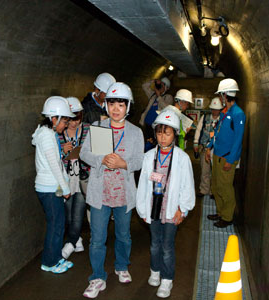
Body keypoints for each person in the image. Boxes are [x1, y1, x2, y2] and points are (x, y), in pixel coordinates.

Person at [80, 82, 144, 298]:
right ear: (106, 106)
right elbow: (84, 153)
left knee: (124, 235)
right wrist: (101, 159)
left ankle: (121, 266)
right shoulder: (98, 128)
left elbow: (139, 160)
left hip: (123, 194)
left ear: (128, 107)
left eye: (121, 104)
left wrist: (123, 164)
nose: (116, 108)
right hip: (101, 193)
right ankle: (97, 277)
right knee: (97, 238)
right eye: (112, 103)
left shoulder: (135, 132)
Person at [136, 110, 195, 298]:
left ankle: (167, 279)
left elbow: (187, 186)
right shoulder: (148, 157)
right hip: (153, 208)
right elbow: (143, 184)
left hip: (171, 210)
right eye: (160, 133)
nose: (162, 138)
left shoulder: (182, 158)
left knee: (167, 246)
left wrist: (183, 209)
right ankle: (155, 271)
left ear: (174, 135)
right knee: (154, 244)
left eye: (167, 133)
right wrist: (142, 208)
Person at [31, 96, 75, 273]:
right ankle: (49, 262)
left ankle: (55, 258)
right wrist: (65, 188)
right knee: (56, 225)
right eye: (64, 120)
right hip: (49, 188)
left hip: (51, 187)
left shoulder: (46, 133)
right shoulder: (47, 136)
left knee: (58, 224)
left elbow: (57, 162)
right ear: (53, 118)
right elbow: (55, 165)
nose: (65, 124)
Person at [205, 79, 246, 228]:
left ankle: (228, 217)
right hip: (217, 155)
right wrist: (209, 147)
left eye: (221, 95)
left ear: (225, 95)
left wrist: (231, 159)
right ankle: (221, 212)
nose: (221, 98)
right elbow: (216, 132)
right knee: (216, 186)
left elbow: (238, 140)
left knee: (225, 188)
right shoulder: (225, 112)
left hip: (227, 157)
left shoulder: (238, 114)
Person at [59, 97, 90, 259]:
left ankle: (70, 243)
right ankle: (77, 238)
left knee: (78, 214)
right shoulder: (58, 132)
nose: (74, 123)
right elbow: (53, 159)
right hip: (65, 179)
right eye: (70, 119)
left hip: (82, 179)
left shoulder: (88, 130)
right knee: (68, 215)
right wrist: (63, 150)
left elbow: (97, 150)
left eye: (77, 118)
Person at [193, 97, 223, 197]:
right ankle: (204, 190)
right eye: (213, 109)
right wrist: (196, 143)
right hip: (204, 148)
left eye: (217, 109)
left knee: (215, 172)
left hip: (216, 150)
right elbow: (198, 130)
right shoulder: (205, 118)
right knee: (204, 170)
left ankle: (213, 191)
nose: (215, 111)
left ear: (220, 110)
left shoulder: (223, 120)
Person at [139, 77, 173, 150]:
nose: (160, 86)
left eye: (162, 85)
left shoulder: (168, 97)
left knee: (154, 146)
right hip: (147, 125)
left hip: (157, 127)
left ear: (166, 88)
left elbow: (166, 108)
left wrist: (159, 96)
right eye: (160, 84)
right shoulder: (153, 96)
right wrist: (154, 81)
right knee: (145, 145)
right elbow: (144, 86)